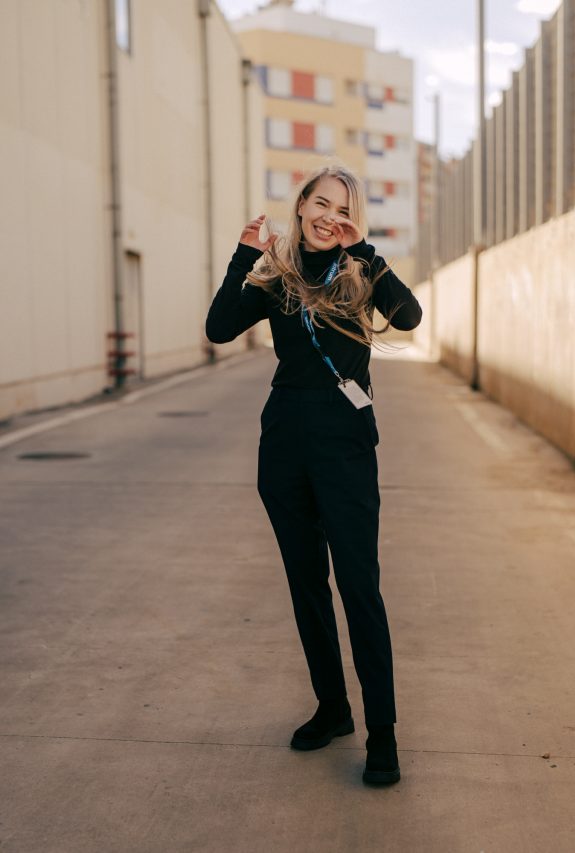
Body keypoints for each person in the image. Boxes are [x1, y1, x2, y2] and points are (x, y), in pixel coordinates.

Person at [205, 164, 422, 785]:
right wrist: (242, 256)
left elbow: (408, 317)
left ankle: (382, 733)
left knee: (359, 586)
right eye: (321, 203)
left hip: (346, 444)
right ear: (300, 206)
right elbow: (220, 328)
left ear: (354, 219)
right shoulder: (277, 275)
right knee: (306, 584)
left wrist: (365, 251)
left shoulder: (362, 273)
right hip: (285, 443)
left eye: (343, 207)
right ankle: (333, 708)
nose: (330, 215)